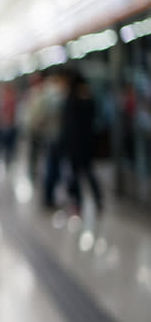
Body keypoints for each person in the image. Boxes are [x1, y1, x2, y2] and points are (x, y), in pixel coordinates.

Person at [59, 67, 103, 213]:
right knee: (87, 172)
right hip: (86, 141)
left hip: (76, 143)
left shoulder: (72, 99)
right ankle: (95, 199)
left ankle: (78, 202)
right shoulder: (87, 96)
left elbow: (70, 125)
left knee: (78, 174)